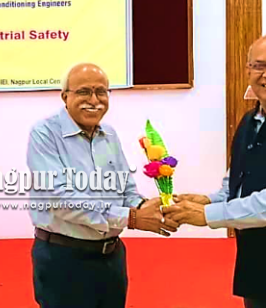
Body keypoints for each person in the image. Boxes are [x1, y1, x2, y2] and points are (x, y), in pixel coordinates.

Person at [27, 62, 178, 308]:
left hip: (111, 258)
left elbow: (126, 190)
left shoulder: (109, 134)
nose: (94, 100)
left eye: (101, 91)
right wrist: (132, 218)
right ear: (65, 96)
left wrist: (149, 207)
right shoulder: (44, 134)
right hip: (63, 259)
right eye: (84, 91)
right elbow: (59, 199)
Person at [163, 36, 266, 308]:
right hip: (256, 266)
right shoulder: (249, 122)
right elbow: (237, 183)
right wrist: (207, 200)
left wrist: (208, 215)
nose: (265, 75)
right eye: (259, 66)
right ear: (247, 70)